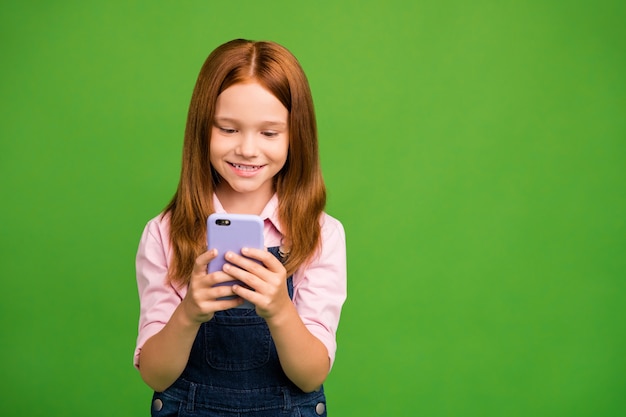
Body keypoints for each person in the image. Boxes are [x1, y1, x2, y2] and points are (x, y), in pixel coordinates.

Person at [134, 39, 347, 417]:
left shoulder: (320, 235)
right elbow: (155, 374)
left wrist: (280, 309)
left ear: (296, 135)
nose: (248, 149)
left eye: (269, 133)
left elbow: (311, 374)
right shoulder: (165, 232)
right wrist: (189, 313)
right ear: (203, 128)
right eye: (229, 129)